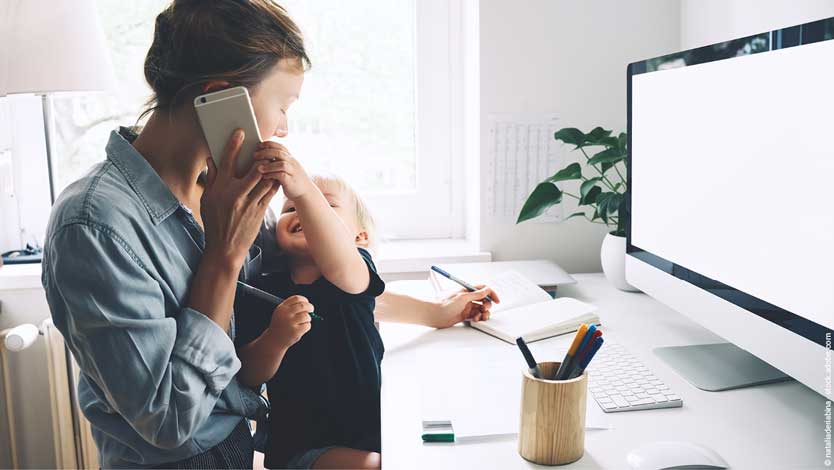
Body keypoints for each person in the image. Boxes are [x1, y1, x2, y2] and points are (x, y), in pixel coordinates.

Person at [40, 1, 310, 467]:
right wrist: (224, 256)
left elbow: (308, 280)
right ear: (220, 97)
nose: (283, 129)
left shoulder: (224, 188)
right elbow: (168, 419)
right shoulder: (93, 227)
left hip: (237, 444)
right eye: (282, 107)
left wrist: (431, 312)